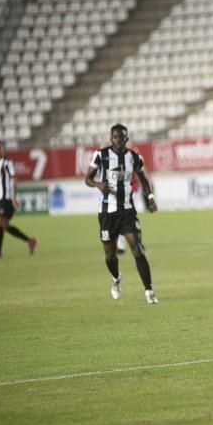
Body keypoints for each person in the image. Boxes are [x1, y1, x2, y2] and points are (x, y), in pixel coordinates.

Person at [84, 124, 159, 304]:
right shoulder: (101, 155)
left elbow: (143, 179)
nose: (119, 140)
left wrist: (150, 197)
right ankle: (116, 278)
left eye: (122, 137)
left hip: (127, 211)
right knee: (110, 256)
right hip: (107, 214)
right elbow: (87, 178)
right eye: (115, 137)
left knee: (137, 249)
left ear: (126, 138)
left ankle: (149, 291)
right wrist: (98, 185)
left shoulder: (133, 157)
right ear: (111, 139)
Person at [0, 140, 37, 258]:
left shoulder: (7, 163)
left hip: (7, 199)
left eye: (1, 148)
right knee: (4, 225)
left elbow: (14, 179)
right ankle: (29, 240)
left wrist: (14, 197)